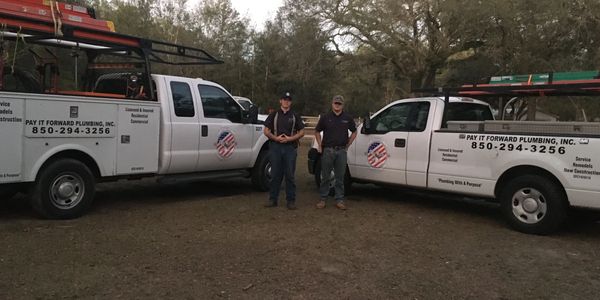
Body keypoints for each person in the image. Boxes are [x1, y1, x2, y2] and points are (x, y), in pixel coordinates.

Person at [263, 92, 305, 210]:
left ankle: (291, 200)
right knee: (275, 174)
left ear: (290, 102)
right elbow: (266, 130)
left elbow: (302, 132)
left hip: (290, 148)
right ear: (280, 101)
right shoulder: (274, 115)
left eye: (288, 100)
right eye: (284, 99)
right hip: (275, 147)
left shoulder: (295, 115)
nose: (286, 101)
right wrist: (275, 138)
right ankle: (273, 199)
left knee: (290, 175)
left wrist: (290, 139)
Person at [314, 95, 357, 210]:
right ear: (332, 104)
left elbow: (354, 132)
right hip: (328, 150)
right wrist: (319, 144)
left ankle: (339, 200)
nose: (337, 105)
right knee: (325, 177)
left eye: (339, 104)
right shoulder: (325, 117)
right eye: (335, 103)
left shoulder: (348, 118)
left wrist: (348, 144)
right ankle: (323, 199)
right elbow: (317, 131)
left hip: (341, 151)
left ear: (342, 105)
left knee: (340, 177)